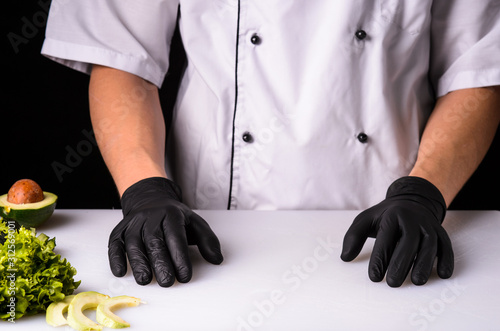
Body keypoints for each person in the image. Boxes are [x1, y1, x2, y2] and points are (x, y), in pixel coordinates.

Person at [41, 1, 500, 288]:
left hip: (391, 221)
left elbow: (477, 69)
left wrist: (424, 191)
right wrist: (143, 187)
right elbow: (121, 55)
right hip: (214, 229)